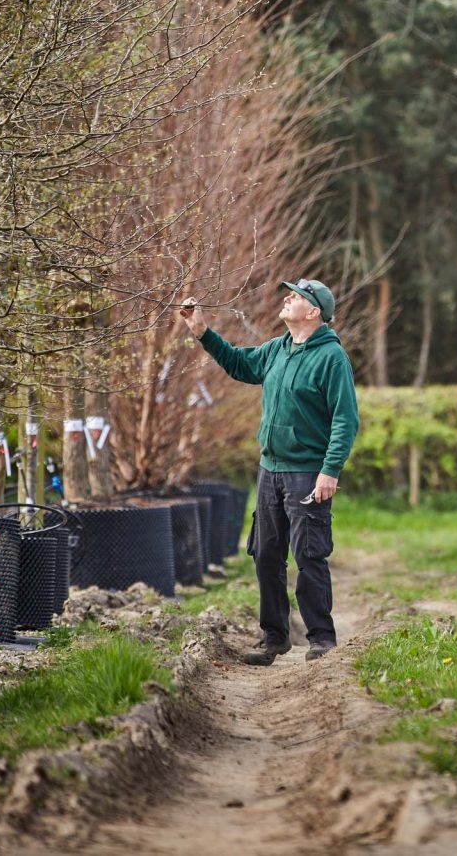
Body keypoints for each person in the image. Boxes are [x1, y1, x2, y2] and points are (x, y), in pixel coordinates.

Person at [178, 280, 359, 665]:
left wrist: (329, 471)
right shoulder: (279, 349)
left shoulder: (331, 358)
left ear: (313, 312)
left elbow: (346, 419)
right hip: (270, 469)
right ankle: (274, 637)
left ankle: (322, 639)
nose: (287, 298)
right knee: (265, 554)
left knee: (309, 554)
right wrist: (202, 333)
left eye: (296, 296)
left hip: (307, 472)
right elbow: (241, 365)